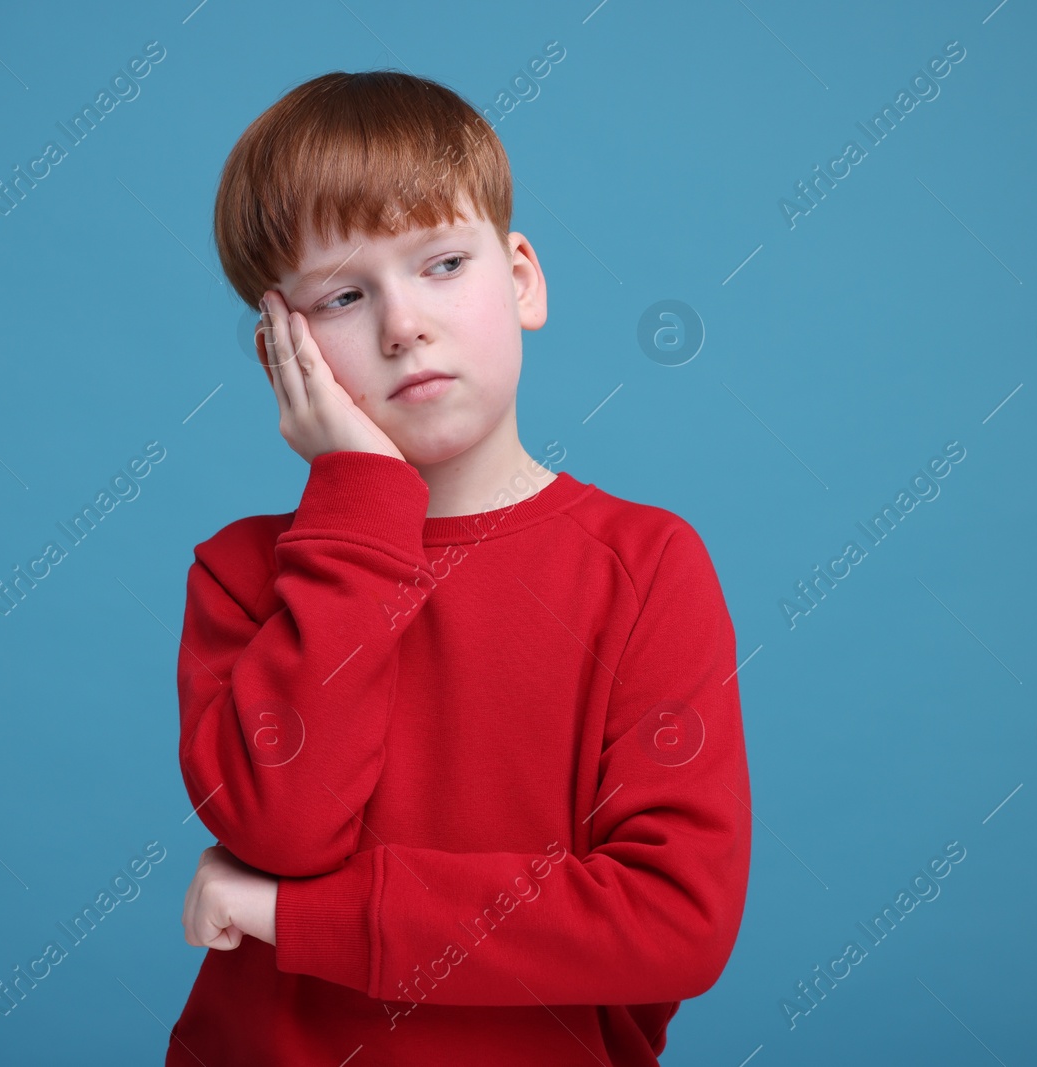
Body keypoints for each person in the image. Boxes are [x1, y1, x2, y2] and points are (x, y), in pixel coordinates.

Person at [167, 69, 751, 1066]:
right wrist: (358, 501)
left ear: (520, 277)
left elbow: (670, 918)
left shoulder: (644, 565)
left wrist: (291, 916)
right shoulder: (241, 573)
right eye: (344, 295)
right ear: (280, 355)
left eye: (440, 262)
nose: (403, 323)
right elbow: (284, 826)